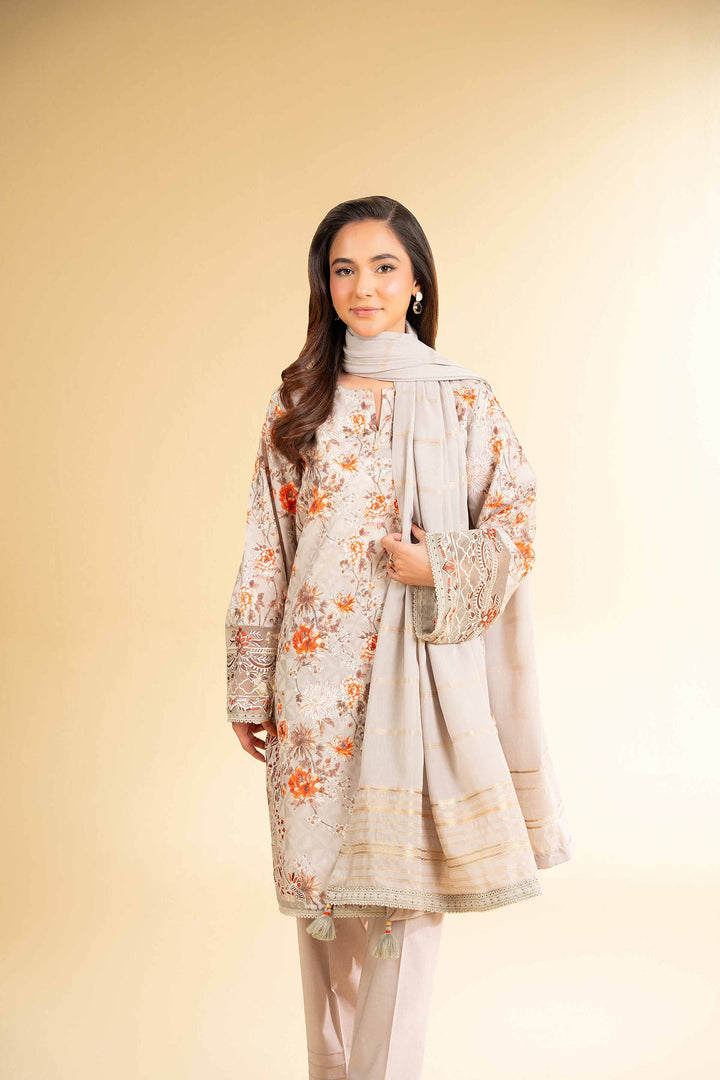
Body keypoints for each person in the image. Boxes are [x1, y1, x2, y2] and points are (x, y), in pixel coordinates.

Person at [225, 195, 574, 1080]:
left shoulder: (464, 401)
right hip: (313, 689)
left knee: (405, 904)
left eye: (384, 267)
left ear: (417, 281)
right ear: (324, 284)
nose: (364, 288)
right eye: (344, 269)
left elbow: (518, 525)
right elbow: (268, 547)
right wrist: (249, 683)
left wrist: (437, 566)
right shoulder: (298, 404)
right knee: (325, 902)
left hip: (417, 689)